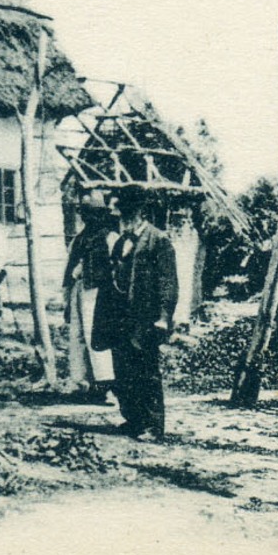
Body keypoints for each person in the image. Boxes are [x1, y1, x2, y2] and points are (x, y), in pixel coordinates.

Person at [99, 186, 178, 441]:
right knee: (123, 370)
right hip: (119, 316)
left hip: (145, 318)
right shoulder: (121, 240)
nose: (114, 212)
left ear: (135, 210)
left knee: (146, 371)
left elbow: (169, 282)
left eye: (118, 208)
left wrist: (164, 317)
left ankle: (153, 426)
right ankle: (133, 419)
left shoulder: (159, 240)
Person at [62, 195, 117, 401]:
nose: (88, 217)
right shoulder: (78, 239)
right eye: (84, 213)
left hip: (98, 291)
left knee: (96, 335)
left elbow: (117, 269)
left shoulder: (110, 238)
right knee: (77, 336)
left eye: (93, 212)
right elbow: (68, 269)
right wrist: (67, 299)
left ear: (101, 214)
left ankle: (105, 385)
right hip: (79, 289)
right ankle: (82, 383)